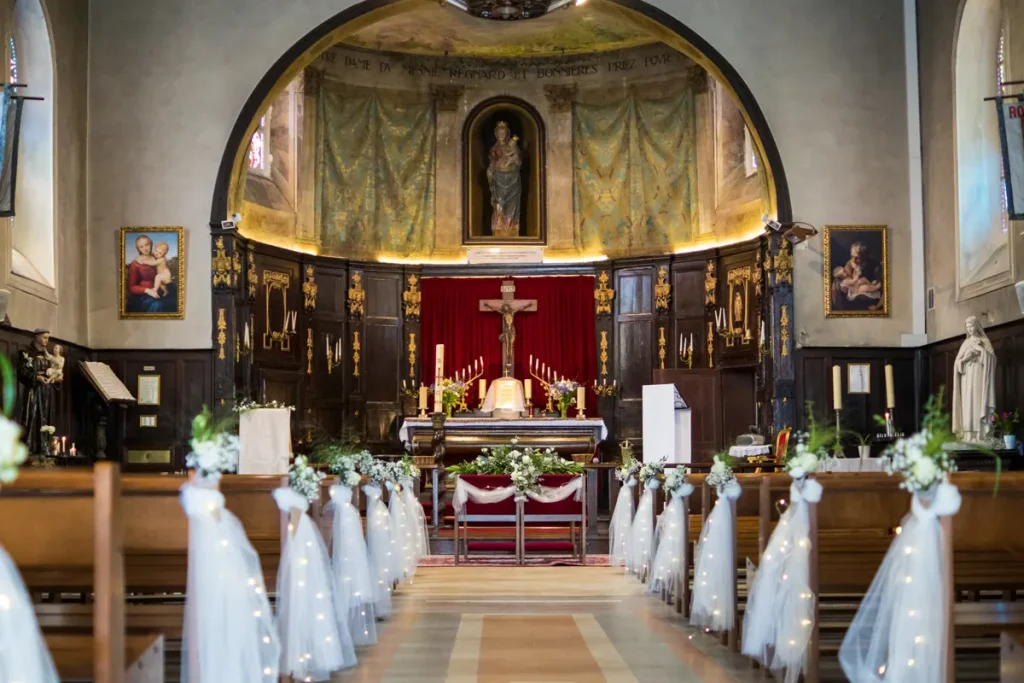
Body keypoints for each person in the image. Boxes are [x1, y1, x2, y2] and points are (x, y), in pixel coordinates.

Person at [952, 316, 997, 443]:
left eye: (971, 326)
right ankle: (968, 434)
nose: (970, 329)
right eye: (967, 327)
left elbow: (992, 360)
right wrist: (966, 358)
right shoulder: (966, 343)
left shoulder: (984, 341)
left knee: (978, 403)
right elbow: (957, 363)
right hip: (967, 378)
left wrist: (980, 350)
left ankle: (980, 434)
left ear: (977, 326)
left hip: (979, 377)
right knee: (968, 405)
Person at [17, 329, 55, 454]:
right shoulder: (26, 352)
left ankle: (44, 449)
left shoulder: (48, 356)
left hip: (47, 392)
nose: (47, 340)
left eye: (48, 338)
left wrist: (56, 378)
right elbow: (22, 373)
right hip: (33, 391)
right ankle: (30, 450)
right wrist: (36, 377)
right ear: (37, 337)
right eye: (44, 337)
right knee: (32, 418)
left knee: (46, 419)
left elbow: (54, 371)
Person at [486, 121, 523, 238]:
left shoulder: (513, 147)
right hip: (499, 177)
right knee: (499, 202)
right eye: (499, 133)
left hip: (513, 177)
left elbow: (518, 162)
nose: (501, 136)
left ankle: (511, 226)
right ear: (496, 135)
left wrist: (513, 160)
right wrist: (490, 173)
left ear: (507, 134)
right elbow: (492, 164)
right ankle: (499, 226)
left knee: (512, 203)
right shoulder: (493, 149)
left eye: (503, 133)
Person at [126, 235, 175, 314]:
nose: (145, 248)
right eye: (141, 247)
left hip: (160, 291)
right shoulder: (135, 264)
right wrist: (148, 290)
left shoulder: (157, 257)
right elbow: (132, 287)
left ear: (151, 244)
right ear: (138, 249)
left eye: (147, 244)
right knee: (158, 305)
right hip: (143, 296)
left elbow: (163, 269)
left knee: (174, 302)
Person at [832, 242, 882, 307]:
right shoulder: (850, 263)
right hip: (855, 294)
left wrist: (871, 285)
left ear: (864, 256)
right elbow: (846, 280)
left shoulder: (874, 265)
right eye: (852, 256)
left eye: (857, 257)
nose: (854, 260)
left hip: (869, 295)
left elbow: (876, 280)